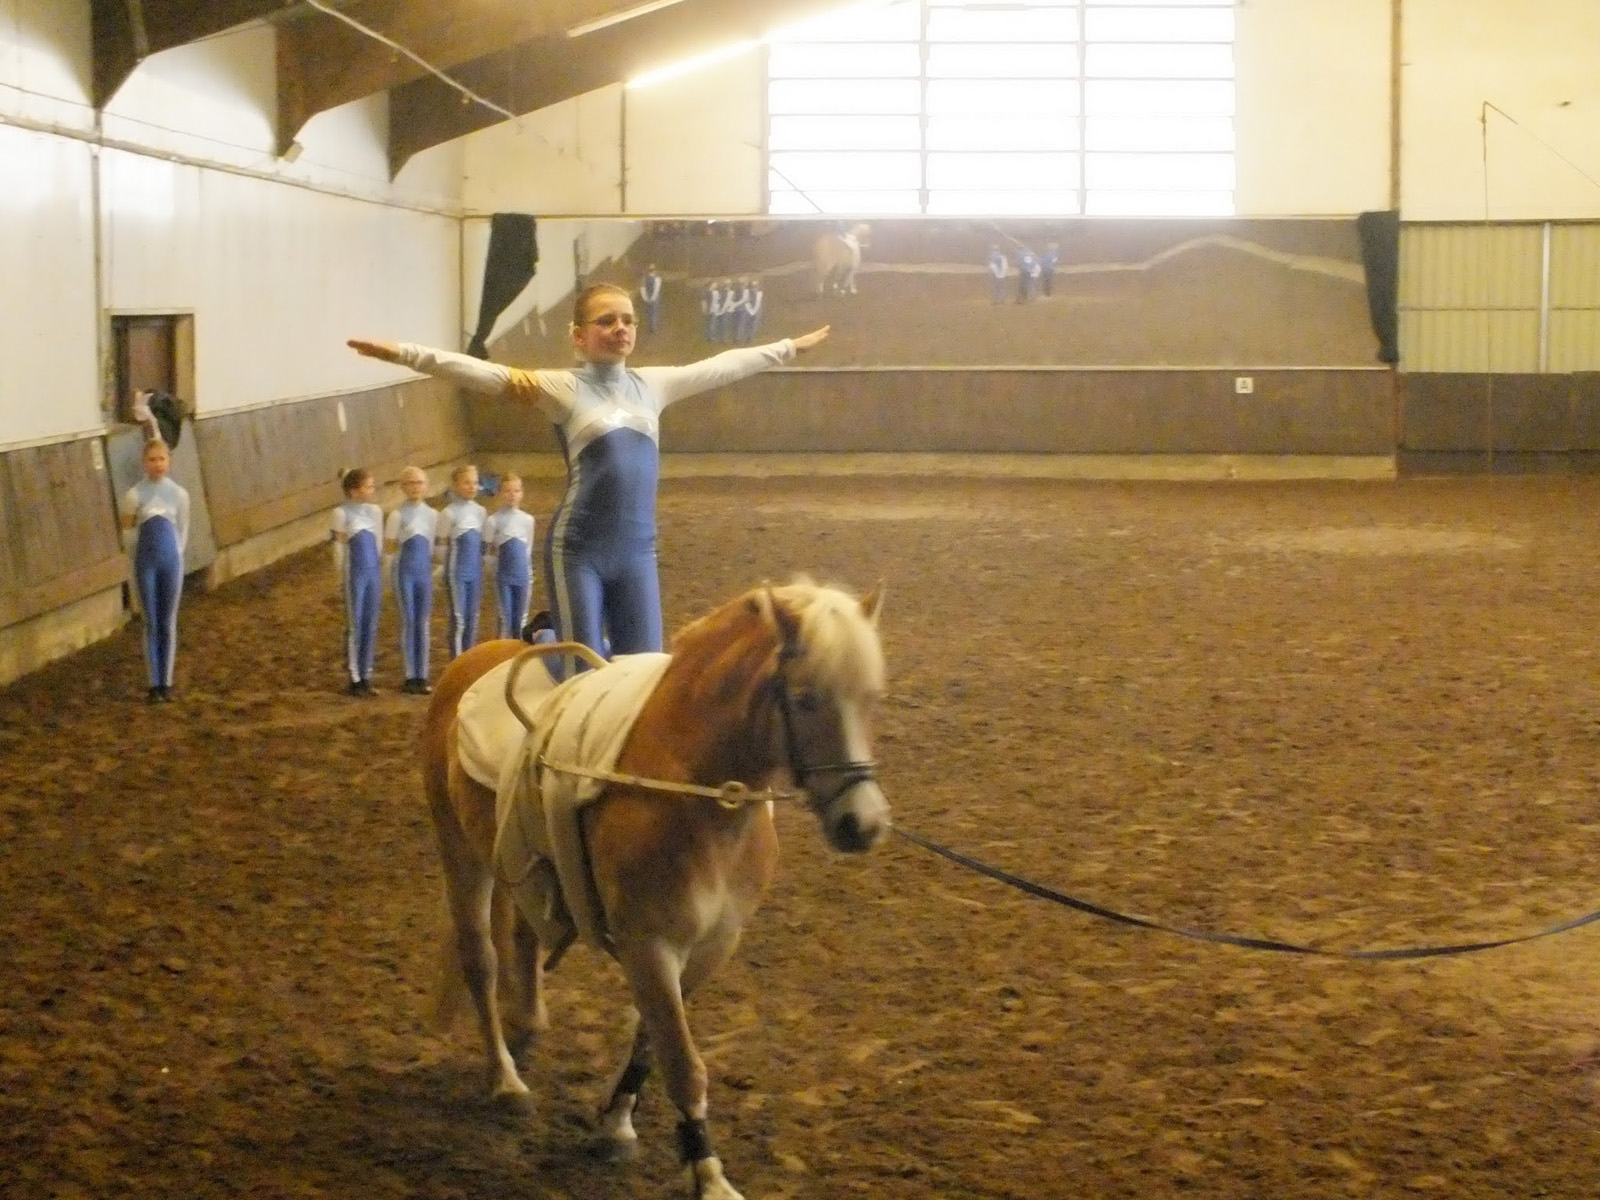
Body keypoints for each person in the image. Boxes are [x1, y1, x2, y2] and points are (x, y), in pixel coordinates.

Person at [348, 284, 829, 677]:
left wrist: (787, 348)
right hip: (579, 552)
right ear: (578, 336)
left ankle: (551, 637)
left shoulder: (653, 385)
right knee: (584, 676)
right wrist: (408, 354)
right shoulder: (563, 388)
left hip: (638, 553)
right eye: (606, 321)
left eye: (628, 320)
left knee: (644, 674)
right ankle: (546, 639)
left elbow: (720, 367)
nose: (620, 328)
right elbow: (487, 375)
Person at [120, 438, 190, 703]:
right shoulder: (134, 496)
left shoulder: (180, 494)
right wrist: (136, 559)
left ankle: (166, 682)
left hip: (171, 563)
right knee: (151, 622)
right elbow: (128, 534)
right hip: (145, 563)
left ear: (169, 461)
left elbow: (182, 529)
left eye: (162, 459)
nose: (157, 464)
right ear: (144, 463)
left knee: (168, 621)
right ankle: (154, 684)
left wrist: (177, 555)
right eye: (152, 459)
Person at [331, 467, 384, 696]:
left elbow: (378, 543)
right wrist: (340, 577)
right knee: (355, 624)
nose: (372, 490)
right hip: (354, 573)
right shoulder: (341, 514)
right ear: (354, 491)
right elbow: (339, 548)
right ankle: (355, 678)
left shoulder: (375, 512)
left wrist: (378, 569)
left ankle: (366, 673)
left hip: (372, 573)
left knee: (370, 623)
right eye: (368, 487)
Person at [384, 465, 437, 695]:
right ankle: (409, 675)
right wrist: (387, 577)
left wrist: (434, 570)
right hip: (404, 573)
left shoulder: (432, 515)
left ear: (426, 486)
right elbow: (389, 550)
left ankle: (421, 675)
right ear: (403, 487)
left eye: (419, 483)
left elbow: (432, 546)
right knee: (409, 622)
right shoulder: (396, 515)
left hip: (423, 574)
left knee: (422, 623)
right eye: (410, 483)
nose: (415, 487)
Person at [435, 463, 487, 660]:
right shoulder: (448, 513)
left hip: (475, 572)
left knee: (473, 617)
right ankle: (457, 661)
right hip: (457, 572)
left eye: (475, 483)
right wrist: (446, 568)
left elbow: (483, 544)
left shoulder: (480, 511)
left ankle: (470, 659)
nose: (472, 487)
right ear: (455, 485)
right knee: (459, 619)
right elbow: (440, 547)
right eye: (466, 483)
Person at [483, 471, 536, 640]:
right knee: (505, 618)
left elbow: (528, 548)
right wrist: (495, 571)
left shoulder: (528, 520)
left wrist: (528, 573)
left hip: (523, 576)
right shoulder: (493, 521)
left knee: (521, 620)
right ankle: (503, 652)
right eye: (507, 491)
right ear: (499, 493)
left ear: (522, 493)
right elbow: (487, 553)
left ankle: (520, 652)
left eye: (516, 491)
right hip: (503, 577)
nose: (512, 495)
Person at [639, 264, 663, 334]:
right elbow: (656, 290)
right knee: (654, 313)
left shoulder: (644, 279)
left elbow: (642, 289)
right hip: (654, 299)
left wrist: (645, 298)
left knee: (648, 313)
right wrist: (653, 298)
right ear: (655, 271)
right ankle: (653, 328)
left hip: (647, 298)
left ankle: (648, 327)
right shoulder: (657, 279)